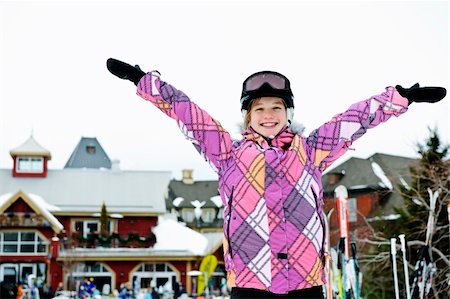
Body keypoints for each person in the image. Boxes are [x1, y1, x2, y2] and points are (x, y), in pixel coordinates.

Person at [106, 58, 446, 299]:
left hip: (307, 284)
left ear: (288, 113)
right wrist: (147, 82)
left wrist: (399, 97)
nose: (269, 115)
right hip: (250, 286)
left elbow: (354, 121)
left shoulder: (311, 150)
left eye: (277, 108)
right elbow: (191, 117)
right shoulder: (228, 155)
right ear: (248, 116)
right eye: (260, 108)